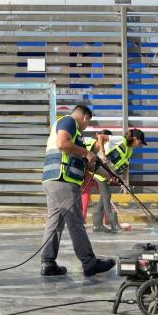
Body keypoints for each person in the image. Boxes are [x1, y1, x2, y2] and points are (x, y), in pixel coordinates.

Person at [40, 105, 115, 278]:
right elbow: (62, 144)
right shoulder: (69, 121)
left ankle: (48, 262)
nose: (86, 127)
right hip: (64, 181)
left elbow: (87, 165)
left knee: (54, 223)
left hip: (54, 180)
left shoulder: (76, 136)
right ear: (85, 118)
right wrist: (87, 153)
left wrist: (110, 176)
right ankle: (89, 263)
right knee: (76, 223)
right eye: (87, 123)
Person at [92, 128, 147, 233]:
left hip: (107, 173)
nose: (140, 144)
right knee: (107, 195)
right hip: (99, 169)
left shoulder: (130, 150)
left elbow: (126, 167)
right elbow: (100, 136)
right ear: (135, 138)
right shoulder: (120, 139)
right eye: (140, 142)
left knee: (103, 197)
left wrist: (124, 182)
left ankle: (97, 225)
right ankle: (114, 225)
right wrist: (103, 153)